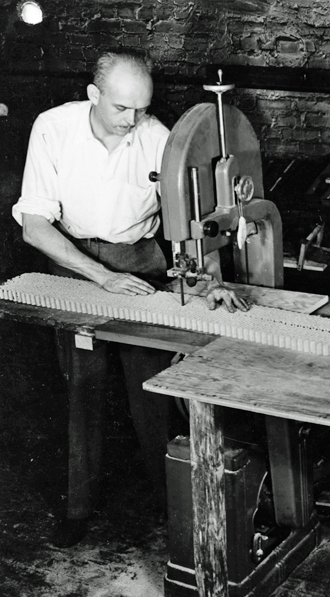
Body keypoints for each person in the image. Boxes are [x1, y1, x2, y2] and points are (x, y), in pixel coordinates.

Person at [12, 49, 246, 547]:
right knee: (83, 389)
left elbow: (190, 226)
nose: (133, 120)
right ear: (93, 95)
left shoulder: (159, 138)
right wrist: (100, 277)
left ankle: (170, 505)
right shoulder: (53, 128)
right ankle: (78, 508)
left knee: (153, 389)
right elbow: (35, 227)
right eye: (122, 108)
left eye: (142, 108)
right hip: (75, 262)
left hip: (142, 261)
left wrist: (212, 278)